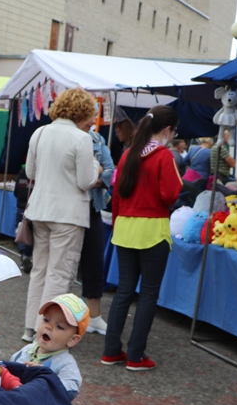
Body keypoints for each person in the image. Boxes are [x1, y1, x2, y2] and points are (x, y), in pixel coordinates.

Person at [102, 104, 181, 371]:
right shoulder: (164, 156)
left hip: (124, 227)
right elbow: (170, 195)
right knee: (148, 293)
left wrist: (117, 223)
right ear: (167, 130)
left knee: (123, 291)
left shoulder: (128, 154)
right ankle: (136, 356)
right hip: (152, 230)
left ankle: (111, 350)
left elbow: (117, 196)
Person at [21, 87, 101, 343]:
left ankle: (31, 327)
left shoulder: (40, 132)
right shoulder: (81, 139)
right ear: (82, 112)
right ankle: (48, 331)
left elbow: (30, 172)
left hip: (40, 210)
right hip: (68, 215)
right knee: (59, 274)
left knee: (40, 271)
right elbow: (85, 181)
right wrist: (96, 166)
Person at [11, 294, 87, 401]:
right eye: (46, 320)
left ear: (72, 340)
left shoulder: (66, 364)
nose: (49, 327)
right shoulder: (27, 350)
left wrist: (45, 375)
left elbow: (71, 389)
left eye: (59, 326)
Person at [78, 128, 115, 335]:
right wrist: (96, 172)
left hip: (93, 207)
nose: (94, 119)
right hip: (69, 209)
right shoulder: (64, 135)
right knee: (63, 267)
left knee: (94, 262)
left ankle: (94, 316)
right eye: (91, 114)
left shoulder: (97, 138)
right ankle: (56, 317)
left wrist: (92, 179)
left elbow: (110, 170)